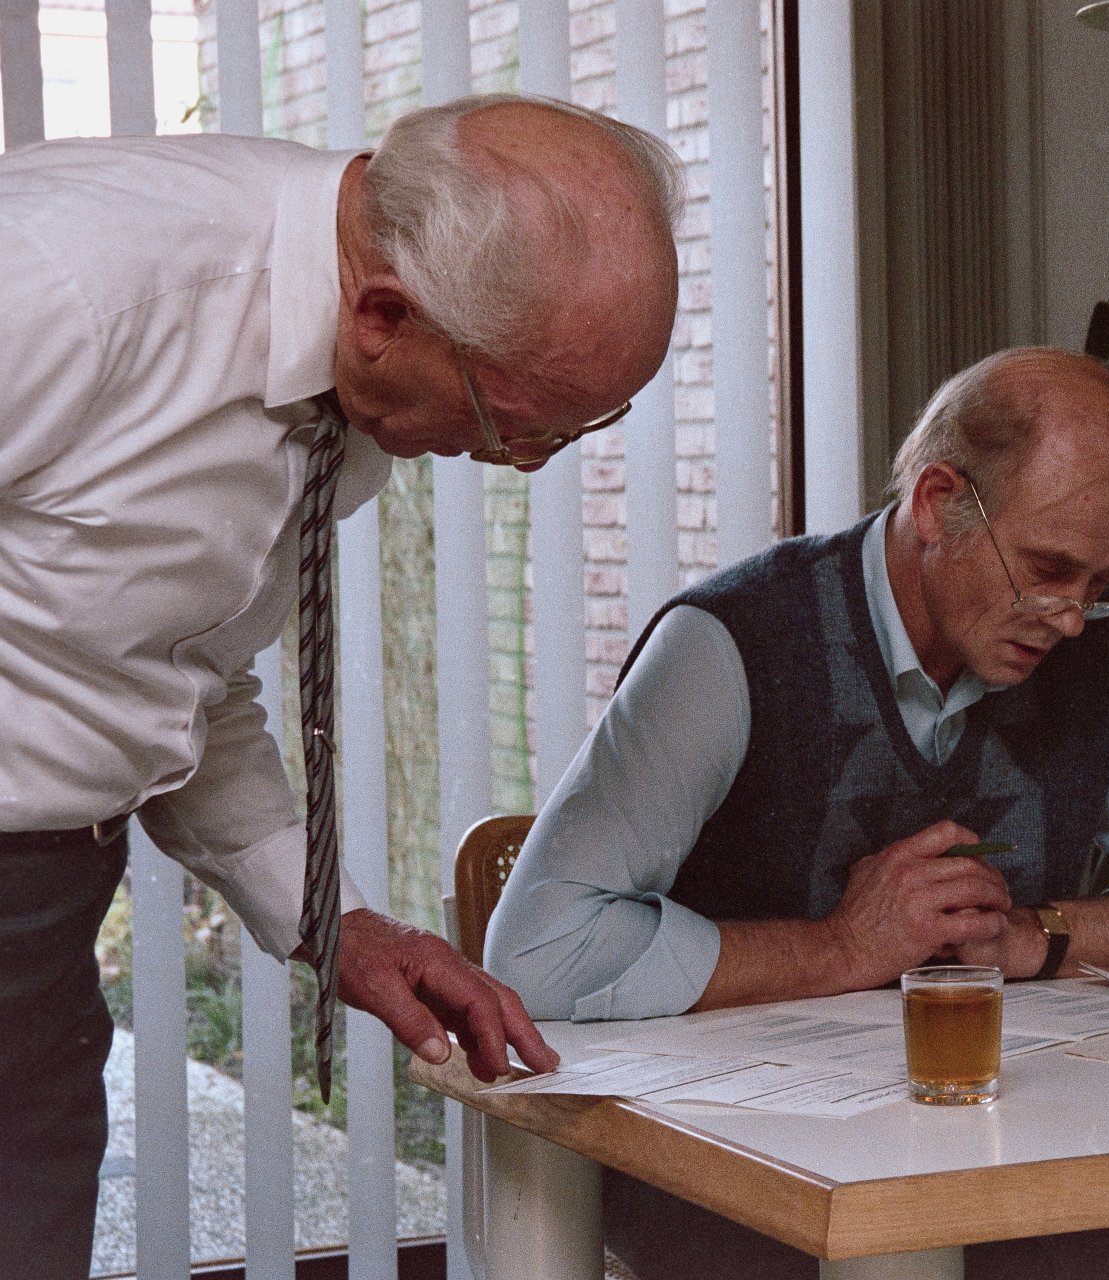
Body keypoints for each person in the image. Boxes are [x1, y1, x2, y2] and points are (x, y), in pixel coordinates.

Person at [0, 93, 681, 1277]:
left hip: (43, 916)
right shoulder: (70, 281)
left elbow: (178, 671)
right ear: (384, 316)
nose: (519, 466)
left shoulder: (351, 381)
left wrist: (340, 922)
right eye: (513, 425)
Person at [488, 346, 1109, 1279]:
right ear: (937, 503)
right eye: (1048, 568)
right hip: (741, 1162)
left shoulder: (1103, 659)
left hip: (1009, 1144)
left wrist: (1039, 937)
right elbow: (539, 951)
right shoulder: (728, 647)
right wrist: (840, 949)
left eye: (1101, 581)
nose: (1073, 618)